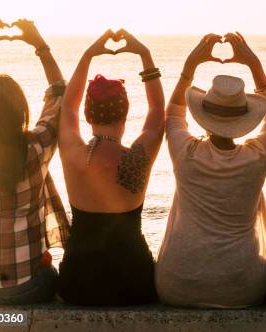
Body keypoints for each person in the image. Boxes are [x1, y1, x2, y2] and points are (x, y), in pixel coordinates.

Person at [155, 33, 266, 308]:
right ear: (244, 119)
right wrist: (254, 65)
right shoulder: (257, 157)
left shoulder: (186, 154)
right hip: (243, 287)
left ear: (204, 118)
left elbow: (173, 112)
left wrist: (191, 66)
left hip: (177, 283)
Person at [0, 19, 69, 304]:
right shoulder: (36, 147)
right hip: (28, 288)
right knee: (53, 273)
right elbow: (60, 92)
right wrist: (39, 45)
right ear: (21, 112)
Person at [57, 29, 164, 306]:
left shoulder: (73, 153)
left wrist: (88, 55)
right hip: (134, 282)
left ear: (87, 113)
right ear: (125, 111)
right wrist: (144, 53)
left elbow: (68, 105)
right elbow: (156, 110)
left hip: (77, 282)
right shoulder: (139, 156)